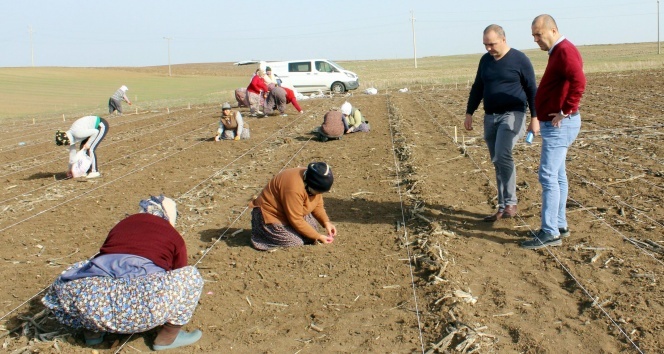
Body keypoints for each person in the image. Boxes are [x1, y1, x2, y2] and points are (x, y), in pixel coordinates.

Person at [41, 195, 204, 350]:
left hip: (91, 304)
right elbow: (179, 269)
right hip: (142, 309)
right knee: (190, 277)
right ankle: (167, 337)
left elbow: (106, 252)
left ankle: (92, 332)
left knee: (84, 267)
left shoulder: (123, 224)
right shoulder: (172, 234)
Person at [521, 15, 586, 249]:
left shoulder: (565, 51)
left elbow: (579, 81)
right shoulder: (558, 52)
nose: (536, 39)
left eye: (538, 34)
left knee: (547, 175)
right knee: (557, 175)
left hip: (560, 125)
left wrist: (566, 110)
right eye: (534, 35)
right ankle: (559, 225)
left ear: (553, 30)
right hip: (555, 124)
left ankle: (550, 232)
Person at [464, 24, 537, 222]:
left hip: (513, 114)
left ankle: (511, 202)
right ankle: (502, 206)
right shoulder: (485, 61)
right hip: (490, 117)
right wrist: (469, 112)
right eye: (485, 45)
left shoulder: (520, 59)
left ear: (503, 39)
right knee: (497, 160)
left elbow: (532, 90)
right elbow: (478, 87)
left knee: (503, 154)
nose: (488, 48)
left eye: (492, 44)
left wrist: (535, 118)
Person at [250, 162, 337, 250]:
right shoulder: (293, 189)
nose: (319, 194)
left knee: (311, 233)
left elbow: (317, 203)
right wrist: (318, 236)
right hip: (270, 216)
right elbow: (296, 219)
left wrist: (326, 222)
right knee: (295, 242)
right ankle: (262, 236)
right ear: (309, 184)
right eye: (318, 191)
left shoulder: (311, 178)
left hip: (289, 212)